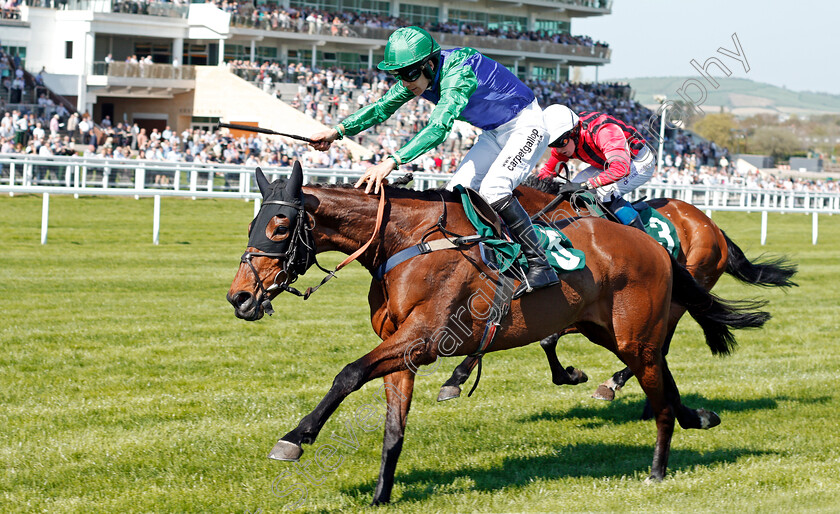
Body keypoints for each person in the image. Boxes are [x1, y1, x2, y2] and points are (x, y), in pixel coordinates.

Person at [309, 26, 558, 298]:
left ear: (430, 63)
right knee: (456, 194)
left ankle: (539, 263)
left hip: (526, 126)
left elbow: (438, 128)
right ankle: (483, 260)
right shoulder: (421, 76)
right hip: (494, 133)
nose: (405, 82)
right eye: (398, 75)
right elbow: (381, 107)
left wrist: (392, 161)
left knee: (494, 191)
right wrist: (338, 132)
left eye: (410, 73)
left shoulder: (459, 73)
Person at [539, 105, 656, 231]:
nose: (559, 149)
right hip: (607, 164)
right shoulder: (565, 142)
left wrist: (586, 185)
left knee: (604, 192)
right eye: (552, 145)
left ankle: (640, 239)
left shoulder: (604, 131)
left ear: (574, 132)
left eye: (561, 143)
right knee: (573, 192)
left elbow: (620, 169)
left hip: (638, 161)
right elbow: (547, 172)